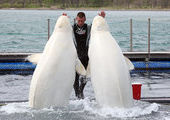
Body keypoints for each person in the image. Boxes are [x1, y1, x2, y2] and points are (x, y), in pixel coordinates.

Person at [63, 11, 106, 99]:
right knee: (75, 76)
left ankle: (81, 90)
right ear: (76, 19)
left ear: (85, 19)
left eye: (82, 21)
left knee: (85, 75)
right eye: (79, 21)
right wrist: (64, 19)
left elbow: (98, 26)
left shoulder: (88, 27)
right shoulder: (72, 28)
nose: (80, 23)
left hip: (85, 55)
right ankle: (77, 93)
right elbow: (63, 29)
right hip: (75, 55)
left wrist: (101, 18)